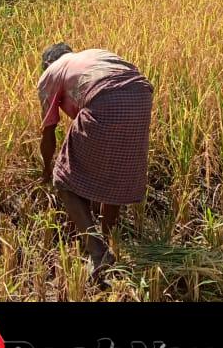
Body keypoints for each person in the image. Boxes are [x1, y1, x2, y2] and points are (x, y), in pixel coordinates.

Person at [37, 44, 154, 279]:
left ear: (48, 64)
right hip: (142, 98)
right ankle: (107, 239)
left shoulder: (51, 73)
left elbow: (49, 132)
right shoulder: (94, 55)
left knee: (64, 181)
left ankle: (98, 252)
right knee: (114, 171)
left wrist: (47, 170)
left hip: (105, 99)